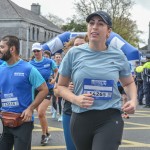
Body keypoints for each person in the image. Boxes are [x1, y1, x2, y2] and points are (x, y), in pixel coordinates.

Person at [57, 11, 137, 150]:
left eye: (100, 24)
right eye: (91, 23)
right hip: (81, 118)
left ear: (108, 31)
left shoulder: (118, 55)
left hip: (110, 117)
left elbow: (128, 83)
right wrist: (75, 99)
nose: (94, 27)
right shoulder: (74, 53)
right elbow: (60, 87)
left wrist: (133, 100)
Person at [0, 35, 48, 150]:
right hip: (5, 120)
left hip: (23, 121)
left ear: (12, 49)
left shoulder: (28, 68)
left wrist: (30, 108)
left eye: (2, 47)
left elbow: (44, 89)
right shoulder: (1, 68)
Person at [30, 43, 58, 145]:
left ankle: (43, 136)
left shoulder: (49, 62)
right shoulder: (30, 64)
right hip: (36, 90)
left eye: (38, 50)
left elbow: (57, 71)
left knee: (41, 112)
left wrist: (54, 79)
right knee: (41, 115)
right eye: (34, 51)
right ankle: (47, 132)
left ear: (42, 51)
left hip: (47, 89)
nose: (36, 53)